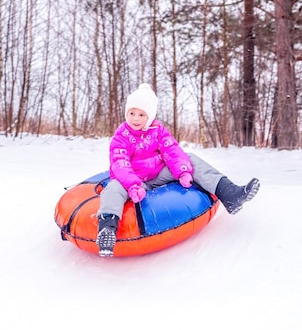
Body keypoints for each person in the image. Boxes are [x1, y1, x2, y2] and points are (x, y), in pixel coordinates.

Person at [96, 83, 260, 257]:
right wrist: (133, 185)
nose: (135, 119)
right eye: (132, 113)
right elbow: (120, 163)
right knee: (113, 188)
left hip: (158, 175)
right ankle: (107, 230)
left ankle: (230, 193)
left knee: (190, 159)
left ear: (150, 116)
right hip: (134, 181)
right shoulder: (121, 136)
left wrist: (183, 171)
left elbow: (172, 150)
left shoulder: (157, 130)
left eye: (141, 114)